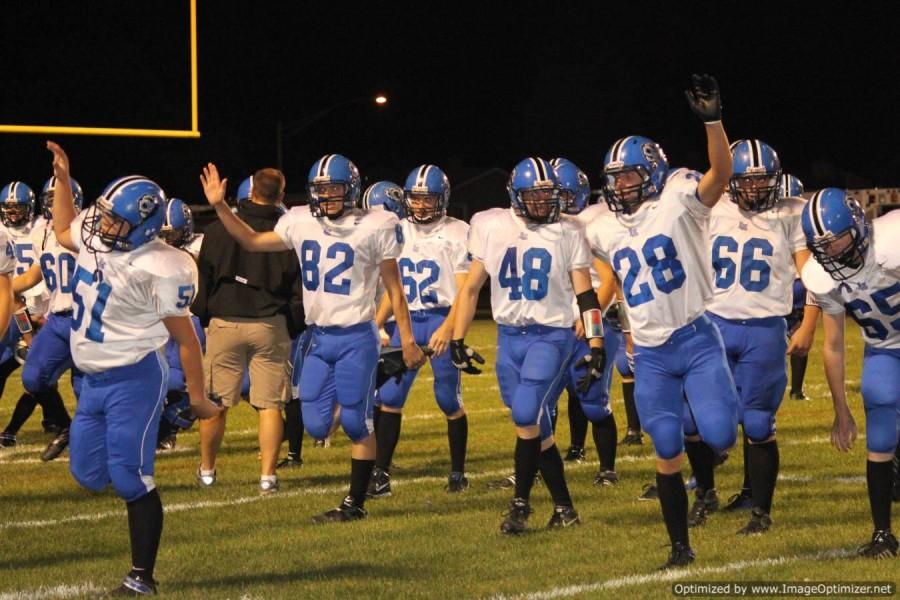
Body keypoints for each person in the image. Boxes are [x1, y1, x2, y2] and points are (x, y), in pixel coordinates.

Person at [199, 154, 425, 522]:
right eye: (322, 190)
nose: (328, 197)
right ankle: (379, 374)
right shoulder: (300, 220)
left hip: (356, 335)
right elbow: (253, 241)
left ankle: (355, 504)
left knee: (355, 423)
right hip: (318, 337)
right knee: (316, 425)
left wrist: (409, 339)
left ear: (350, 190)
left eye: (335, 189)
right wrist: (220, 206)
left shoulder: (376, 225)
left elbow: (394, 290)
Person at [47, 141, 222, 595]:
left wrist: (199, 398)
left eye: (114, 220)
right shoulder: (97, 236)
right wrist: (64, 180)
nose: (102, 225)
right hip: (90, 380)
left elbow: (185, 339)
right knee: (88, 475)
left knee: (130, 477)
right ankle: (147, 432)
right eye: (103, 214)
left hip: (134, 378)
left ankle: (141, 577)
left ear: (144, 227)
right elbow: (65, 228)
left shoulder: (160, 266)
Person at [585, 74, 738, 568]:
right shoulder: (605, 225)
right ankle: (679, 547)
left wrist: (713, 121)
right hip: (648, 353)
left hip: (695, 337)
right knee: (666, 447)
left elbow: (720, 174)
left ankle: (714, 462)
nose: (621, 185)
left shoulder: (680, 196)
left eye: (629, 175)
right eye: (615, 178)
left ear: (650, 171)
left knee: (719, 433)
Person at [452, 157, 607, 534]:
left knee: (525, 415)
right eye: (533, 195)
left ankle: (519, 506)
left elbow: (586, 296)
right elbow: (471, 288)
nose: (541, 202)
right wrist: (457, 337)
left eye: (547, 194)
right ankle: (564, 508)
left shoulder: (569, 231)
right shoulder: (491, 225)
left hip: (550, 337)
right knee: (535, 429)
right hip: (509, 338)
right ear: (515, 196)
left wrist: (597, 343)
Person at [704, 140, 818, 534]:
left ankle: (760, 511)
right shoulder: (710, 209)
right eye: (746, 182)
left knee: (756, 422)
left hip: (764, 330)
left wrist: (808, 323)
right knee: (706, 418)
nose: (754, 189)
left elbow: (811, 276)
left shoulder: (790, 215)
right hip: (714, 325)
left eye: (763, 181)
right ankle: (705, 492)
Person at [801, 189, 900, 558]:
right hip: (884, 347)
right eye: (820, 245)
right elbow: (834, 344)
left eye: (835, 239)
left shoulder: (892, 239)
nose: (831, 252)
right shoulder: (820, 274)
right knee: (879, 412)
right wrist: (841, 411)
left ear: (857, 224)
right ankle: (882, 535)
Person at [192, 168, 304, 495]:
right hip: (270, 324)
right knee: (270, 405)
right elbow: (298, 289)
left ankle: (208, 471)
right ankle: (267, 476)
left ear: (249, 191)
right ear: (281, 196)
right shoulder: (288, 233)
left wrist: (207, 316)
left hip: (226, 321)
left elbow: (204, 279)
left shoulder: (216, 231)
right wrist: (290, 324)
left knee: (216, 403)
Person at [369, 165, 470, 497]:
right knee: (391, 398)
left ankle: (458, 472)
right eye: (416, 198)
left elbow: (465, 290)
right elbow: (392, 289)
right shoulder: (398, 230)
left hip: (442, 315)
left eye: (429, 199)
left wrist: (448, 327)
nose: (422, 205)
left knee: (447, 399)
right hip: (408, 319)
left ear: (442, 200)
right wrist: (377, 322)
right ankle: (380, 474)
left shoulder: (458, 232)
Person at [7, 176, 88, 461]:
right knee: (33, 378)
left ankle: (98, 453)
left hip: (87, 321)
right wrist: (7, 286)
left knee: (86, 392)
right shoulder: (42, 233)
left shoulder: (87, 229)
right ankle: (66, 427)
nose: (54, 205)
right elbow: (36, 273)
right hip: (57, 320)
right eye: (50, 200)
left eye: (60, 199)